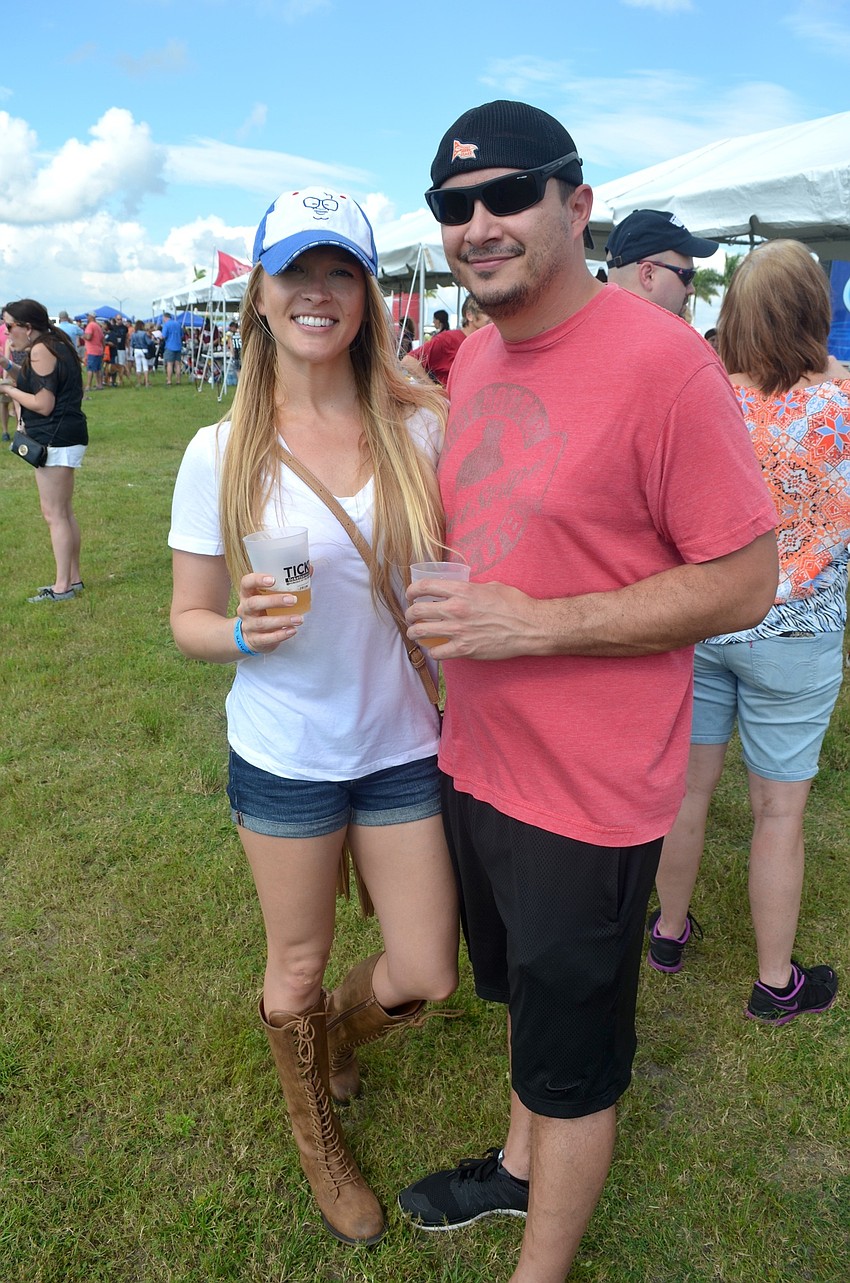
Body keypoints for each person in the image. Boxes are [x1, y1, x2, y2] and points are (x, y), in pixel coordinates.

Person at [398, 100, 778, 1283]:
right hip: (478, 762)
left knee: (576, 1061)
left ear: (577, 204)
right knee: (528, 1011)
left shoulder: (665, 365)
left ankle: (541, 1267)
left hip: (588, 795)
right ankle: (517, 1167)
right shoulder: (478, 356)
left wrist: (539, 622)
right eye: (452, 207)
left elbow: (747, 577)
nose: (477, 224)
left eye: (505, 196)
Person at [168, 186, 459, 1247]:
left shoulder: (420, 424)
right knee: (292, 960)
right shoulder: (220, 449)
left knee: (426, 968)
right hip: (286, 751)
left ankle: (336, 1028)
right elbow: (187, 621)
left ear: (368, 295)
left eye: (341, 272)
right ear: (258, 291)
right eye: (297, 272)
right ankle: (315, 1128)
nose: (318, 293)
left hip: (400, 743)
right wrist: (241, 631)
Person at [649, 240, 846, 1024]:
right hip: (800, 635)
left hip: (708, 618)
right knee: (780, 812)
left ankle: (667, 931)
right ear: (816, 307)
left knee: (685, 792)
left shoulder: (709, 398)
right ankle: (774, 980)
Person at [2, 299, 88, 602]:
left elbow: (43, 403)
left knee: (55, 514)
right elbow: (35, 383)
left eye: (9, 325)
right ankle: (72, 580)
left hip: (56, 438)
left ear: (27, 327)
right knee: (62, 512)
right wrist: (7, 368)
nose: (7, 330)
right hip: (64, 435)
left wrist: (8, 390)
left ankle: (62, 586)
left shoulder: (41, 349)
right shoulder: (52, 344)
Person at [605, 208, 719, 318]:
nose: (691, 290)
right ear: (648, 275)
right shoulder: (664, 337)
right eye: (687, 276)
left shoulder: (591, 327)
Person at [403, 295, 490, 386]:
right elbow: (408, 361)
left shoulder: (488, 342)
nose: (493, 318)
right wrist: (435, 390)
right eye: (487, 313)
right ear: (469, 315)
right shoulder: (447, 339)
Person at [83, 313, 104, 394]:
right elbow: (102, 339)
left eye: (88, 316)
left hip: (92, 350)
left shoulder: (90, 325)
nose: (87, 317)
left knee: (90, 369)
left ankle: (88, 386)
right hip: (99, 350)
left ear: (91, 317)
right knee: (98, 369)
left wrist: (83, 336)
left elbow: (88, 337)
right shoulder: (98, 326)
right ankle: (99, 385)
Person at [161, 312, 183, 385]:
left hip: (170, 346)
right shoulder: (178, 324)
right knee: (178, 364)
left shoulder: (166, 325)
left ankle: (169, 381)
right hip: (178, 346)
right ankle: (178, 380)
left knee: (169, 364)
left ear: (165, 317)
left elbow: (163, 336)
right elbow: (181, 335)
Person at [130, 320, 151, 388]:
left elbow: (131, 344)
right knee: (145, 367)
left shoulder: (133, 334)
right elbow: (149, 342)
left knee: (138, 367)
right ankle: (146, 383)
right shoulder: (144, 333)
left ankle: (139, 382)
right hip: (144, 350)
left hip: (136, 350)